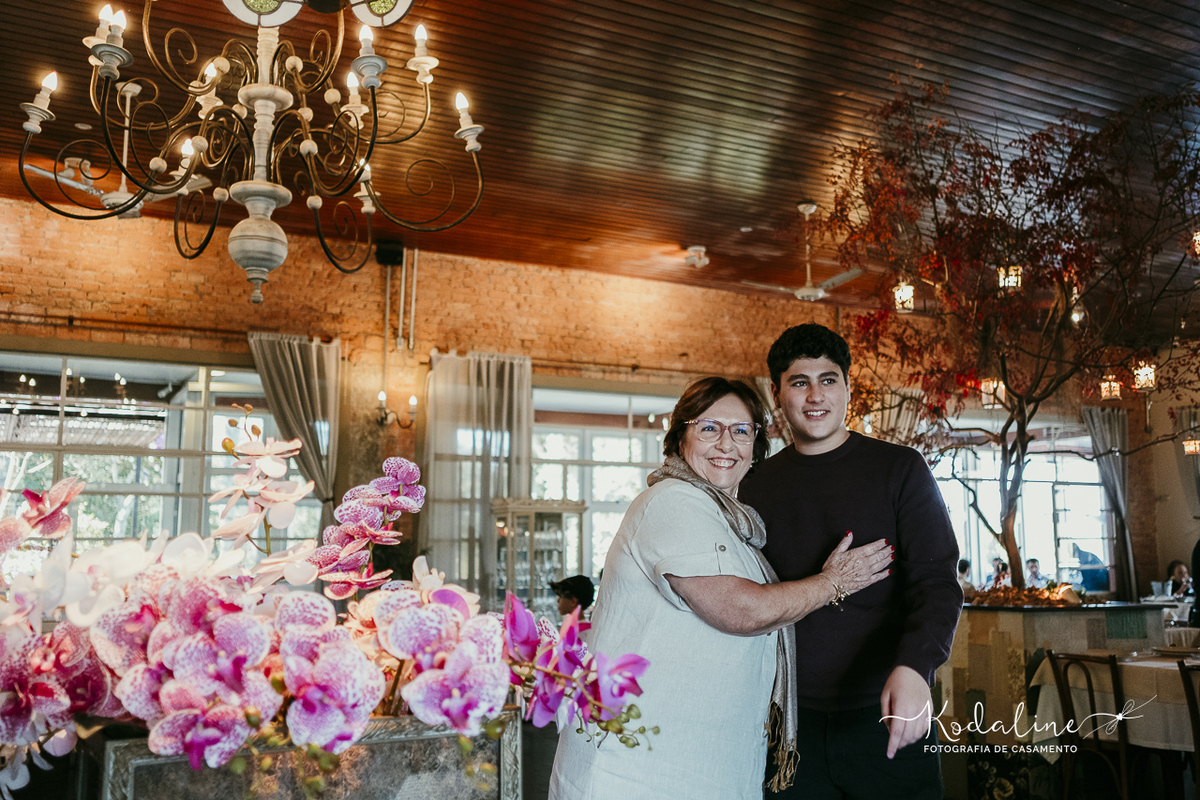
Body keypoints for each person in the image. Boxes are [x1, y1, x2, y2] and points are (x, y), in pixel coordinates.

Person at [548, 377, 893, 800]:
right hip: (639, 769)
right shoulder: (673, 501)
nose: (727, 444)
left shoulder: (730, 520)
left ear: (755, 448)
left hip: (692, 761)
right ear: (680, 439)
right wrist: (832, 582)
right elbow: (741, 611)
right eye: (709, 428)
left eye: (742, 431)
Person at [740, 323, 962, 800]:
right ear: (778, 394)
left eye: (829, 379)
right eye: (799, 381)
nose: (815, 394)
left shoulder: (901, 469)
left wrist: (916, 667)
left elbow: (937, 584)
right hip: (786, 724)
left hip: (884, 710)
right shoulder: (755, 486)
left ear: (847, 389)